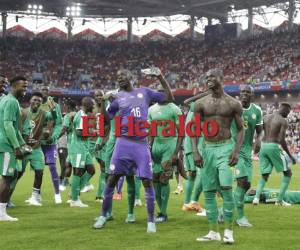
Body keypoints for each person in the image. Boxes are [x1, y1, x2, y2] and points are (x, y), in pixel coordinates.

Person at [93, 67, 173, 233]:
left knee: (146, 181)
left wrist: (160, 76)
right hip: (122, 143)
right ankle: (103, 215)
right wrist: (102, 102)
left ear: (131, 77)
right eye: (118, 77)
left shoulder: (145, 92)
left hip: (141, 144)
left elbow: (169, 97)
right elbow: (107, 119)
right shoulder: (118, 98)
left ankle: (151, 221)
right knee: (112, 179)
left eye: (123, 75)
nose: (120, 78)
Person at [192, 69, 244, 243]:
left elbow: (241, 129)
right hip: (207, 149)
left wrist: (236, 150)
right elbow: (194, 129)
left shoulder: (233, 103)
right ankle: (213, 232)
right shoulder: (200, 103)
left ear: (222, 79)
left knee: (227, 189)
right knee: (208, 192)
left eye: (212, 77)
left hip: (225, 148)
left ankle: (229, 232)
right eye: (206, 77)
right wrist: (195, 151)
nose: (208, 80)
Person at [148, 87, 183, 223]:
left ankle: (163, 212)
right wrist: (149, 147)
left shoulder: (175, 109)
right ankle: (160, 211)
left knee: (164, 178)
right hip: (156, 145)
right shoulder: (151, 110)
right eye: (159, 93)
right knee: (155, 179)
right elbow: (151, 131)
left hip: (170, 145)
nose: (161, 95)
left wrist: (176, 152)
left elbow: (181, 133)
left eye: (163, 92)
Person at [16, 92, 57, 206]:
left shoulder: (44, 113)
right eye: (34, 100)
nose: (36, 102)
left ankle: (35, 197)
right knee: (17, 173)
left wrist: (53, 110)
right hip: (23, 147)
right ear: (30, 100)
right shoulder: (23, 112)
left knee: (39, 172)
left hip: (36, 148)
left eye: (39, 100)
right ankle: (6, 197)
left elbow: (54, 118)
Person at [231, 85, 263, 227]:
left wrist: (259, 140)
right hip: (234, 150)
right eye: (243, 92)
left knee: (247, 185)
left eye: (248, 92)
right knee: (242, 181)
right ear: (239, 94)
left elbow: (260, 131)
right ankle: (241, 217)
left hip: (247, 152)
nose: (245, 94)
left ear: (252, 95)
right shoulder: (232, 107)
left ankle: (225, 210)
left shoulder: (257, 110)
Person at [253, 103, 296, 206]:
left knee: (265, 175)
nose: (288, 114)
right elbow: (281, 140)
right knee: (288, 173)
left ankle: (256, 198)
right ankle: (279, 200)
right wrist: (290, 156)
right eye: (288, 112)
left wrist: (256, 145)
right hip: (273, 146)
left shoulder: (266, 117)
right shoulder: (283, 121)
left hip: (263, 146)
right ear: (284, 109)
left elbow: (257, 134)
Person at [0, 76, 28, 221]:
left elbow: (15, 128)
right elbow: (8, 125)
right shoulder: (11, 101)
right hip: (6, 145)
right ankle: (1, 213)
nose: (25, 89)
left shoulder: (5, 99)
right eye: (23, 86)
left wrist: (23, 143)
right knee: (7, 177)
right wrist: (17, 146)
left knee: (10, 175)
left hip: (4, 142)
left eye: (26, 86)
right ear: (14, 86)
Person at [69, 97, 96, 207]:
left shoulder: (84, 115)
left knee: (91, 170)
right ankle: (75, 200)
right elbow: (79, 132)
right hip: (78, 147)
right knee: (78, 172)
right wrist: (93, 132)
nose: (94, 107)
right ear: (87, 104)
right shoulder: (81, 116)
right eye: (92, 105)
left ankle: (75, 190)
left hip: (84, 147)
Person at [40, 85, 63, 204]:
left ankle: (57, 194)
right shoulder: (35, 104)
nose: (44, 92)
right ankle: (36, 195)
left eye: (46, 90)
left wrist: (53, 137)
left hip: (50, 143)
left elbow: (59, 123)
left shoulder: (55, 106)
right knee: (38, 169)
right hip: (37, 144)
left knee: (53, 167)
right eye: (42, 89)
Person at [58, 100, 77, 191]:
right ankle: (67, 182)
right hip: (81, 142)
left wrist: (55, 138)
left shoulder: (67, 116)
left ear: (68, 107)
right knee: (75, 164)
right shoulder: (79, 115)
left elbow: (64, 129)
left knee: (68, 163)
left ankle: (66, 182)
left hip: (71, 143)